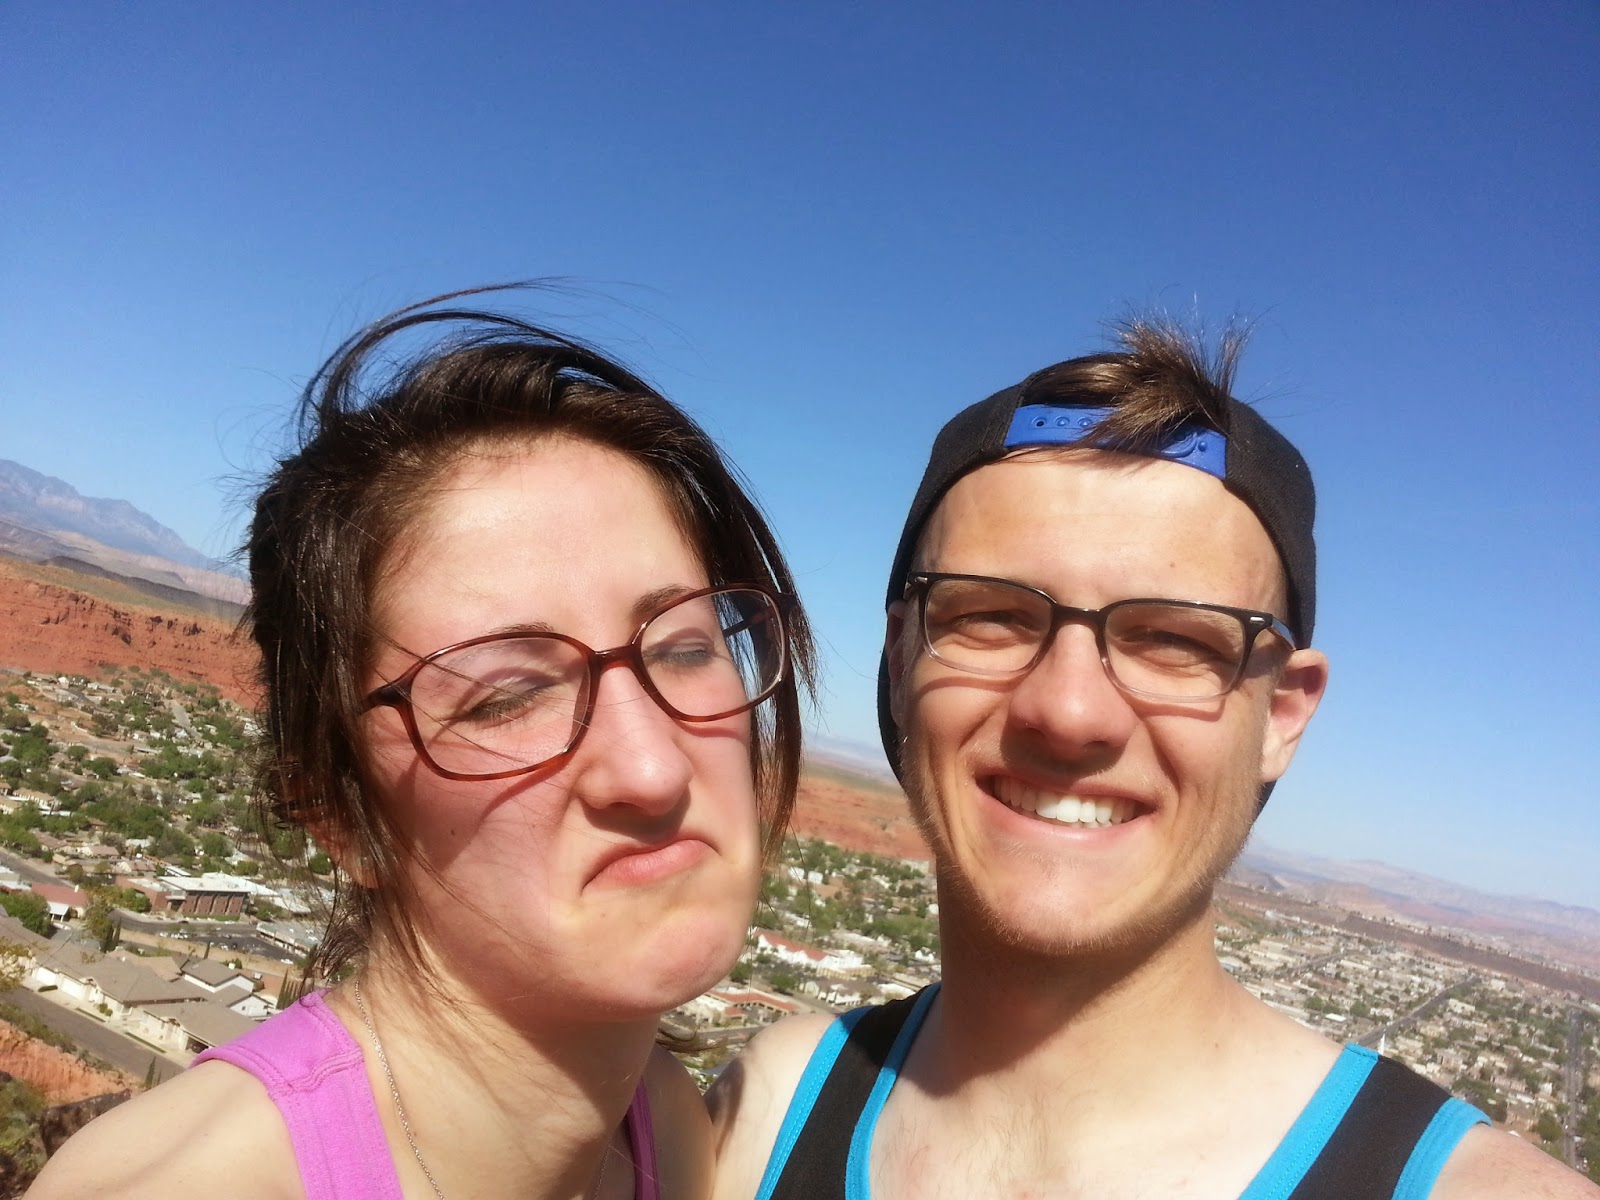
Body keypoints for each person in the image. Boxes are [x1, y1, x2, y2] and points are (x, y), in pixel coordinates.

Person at [708, 319, 1597, 1199]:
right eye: (991, 615)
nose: (1069, 712)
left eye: (1176, 640)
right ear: (901, 659)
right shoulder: (759, 1122)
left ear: (1283, 714)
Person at [32, 286, 815, 1200]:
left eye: (683, 648)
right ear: (339, 816)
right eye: (505, 697)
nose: (651, 768)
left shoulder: (663, 1128)